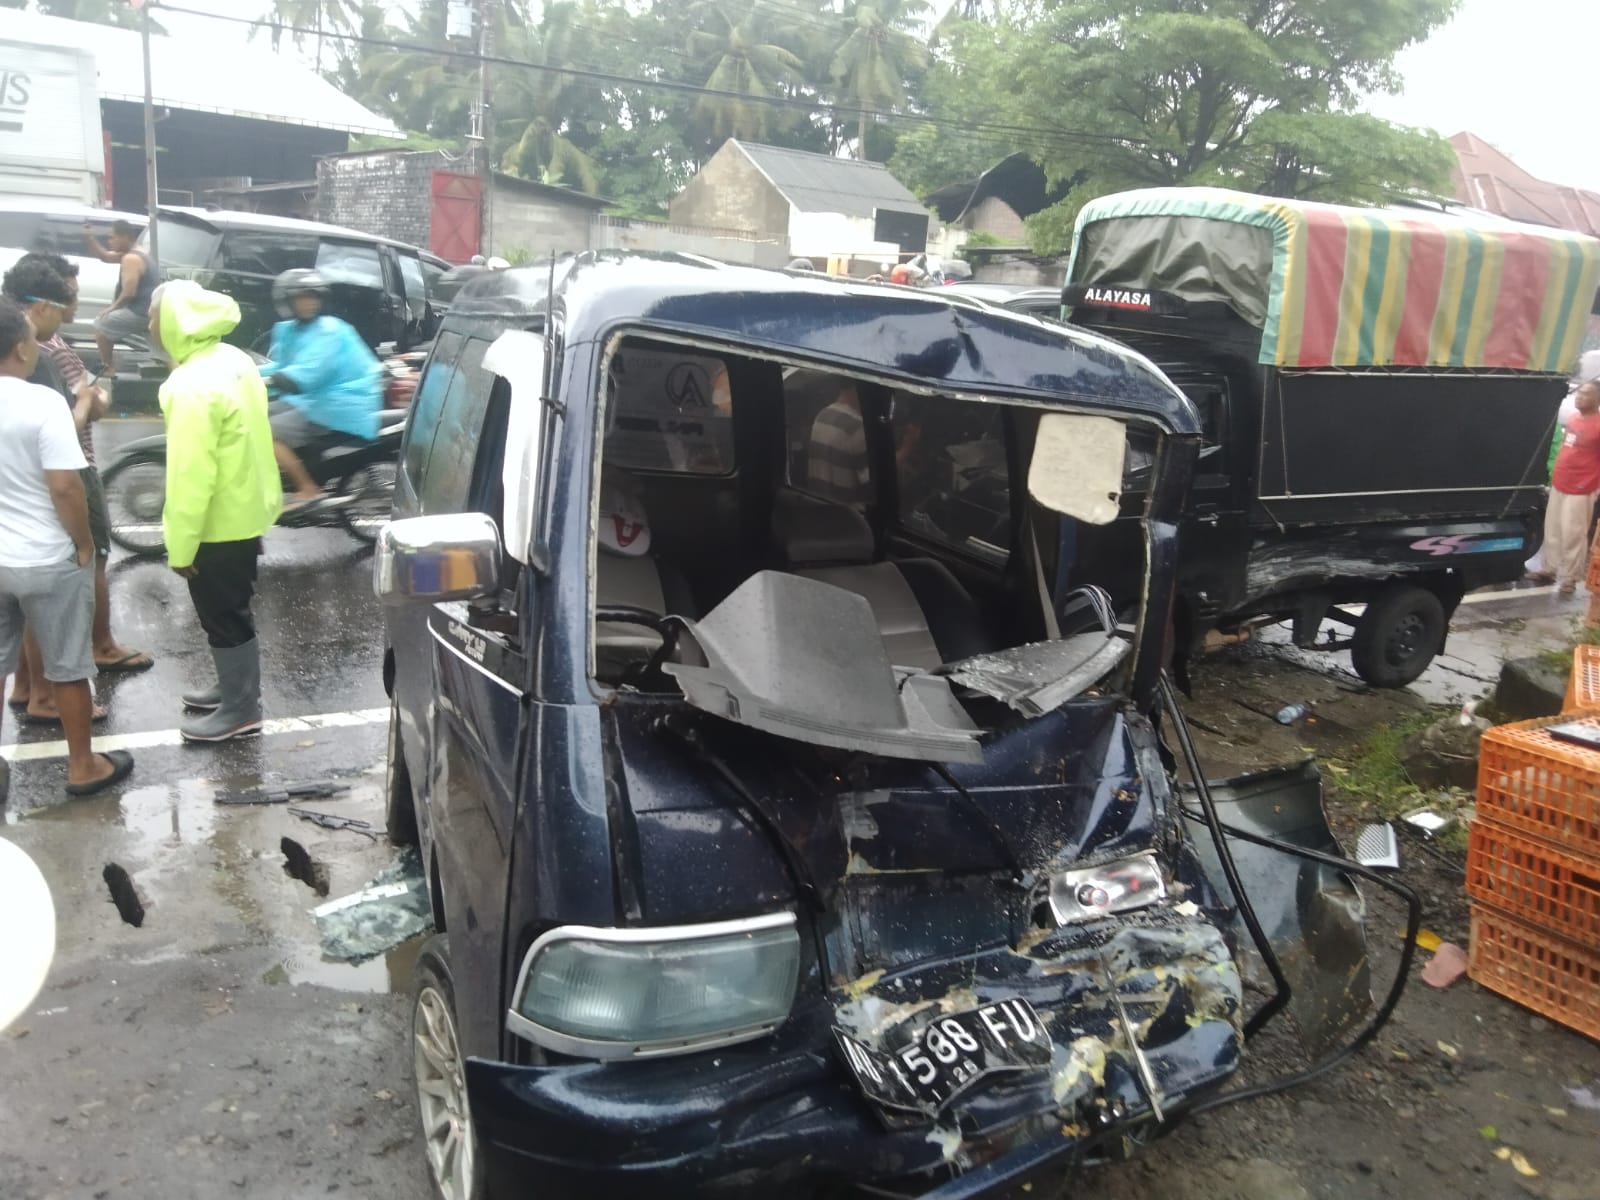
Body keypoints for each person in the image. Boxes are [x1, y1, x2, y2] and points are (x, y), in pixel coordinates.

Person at [1, 255, 153, 705]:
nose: (70, 310)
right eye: (64, 301)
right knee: (56, 610)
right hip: (57, 488)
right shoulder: (36, 362)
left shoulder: (37, 349)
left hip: (11, 537)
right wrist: (83, 543)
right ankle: (60, 718)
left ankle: (30, 687)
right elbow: (63, 478)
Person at [0, 296, 135, 797]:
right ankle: (84, 766)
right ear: (20, 348)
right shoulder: (42, 402)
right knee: (69, 669)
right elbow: (65, 486)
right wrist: (82, 545)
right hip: (45, 558)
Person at [148, 279, 281, 742]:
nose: (149, 325)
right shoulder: (233, 359)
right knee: (234, 609)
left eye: (153, 316)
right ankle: (233, 688)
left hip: (215, 525)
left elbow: (190, 475)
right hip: (244, 509)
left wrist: (180, 546)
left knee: (223, 616)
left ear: (173, 322)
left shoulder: (189, 385)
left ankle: (242, 710)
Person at [258, 269, 381, 511]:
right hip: (312, 399)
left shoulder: (330, 331)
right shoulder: (289, 330)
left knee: (266, 432)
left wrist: (271, 381)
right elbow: (281, 366)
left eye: (313, 296)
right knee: (256, 414)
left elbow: (308, 373)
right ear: (286, 300)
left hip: (339, 401)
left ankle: (308, 489)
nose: (309, 303)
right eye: (302, 297)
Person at [1543, 379, 1600, 595]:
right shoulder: (1574, 419)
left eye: (1585, 394)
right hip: (1561, 482)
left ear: (1597, 399)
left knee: (1573, 533)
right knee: (1553, 528)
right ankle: (1548, 569)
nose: (1579, 396)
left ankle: (1569, 578)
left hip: (1582, 487)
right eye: (1579, 393)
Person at [82, 219, 160, 374]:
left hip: (140, 312)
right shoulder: (139, 252)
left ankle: (108, 367)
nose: (110, 241)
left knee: (101, 324)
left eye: (113, 237)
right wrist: (90, 238)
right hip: (151, 311)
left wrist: (111, 308)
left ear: (125, 236)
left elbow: (129, 292)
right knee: (161, 353)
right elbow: (104, 256)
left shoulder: (130, 259)